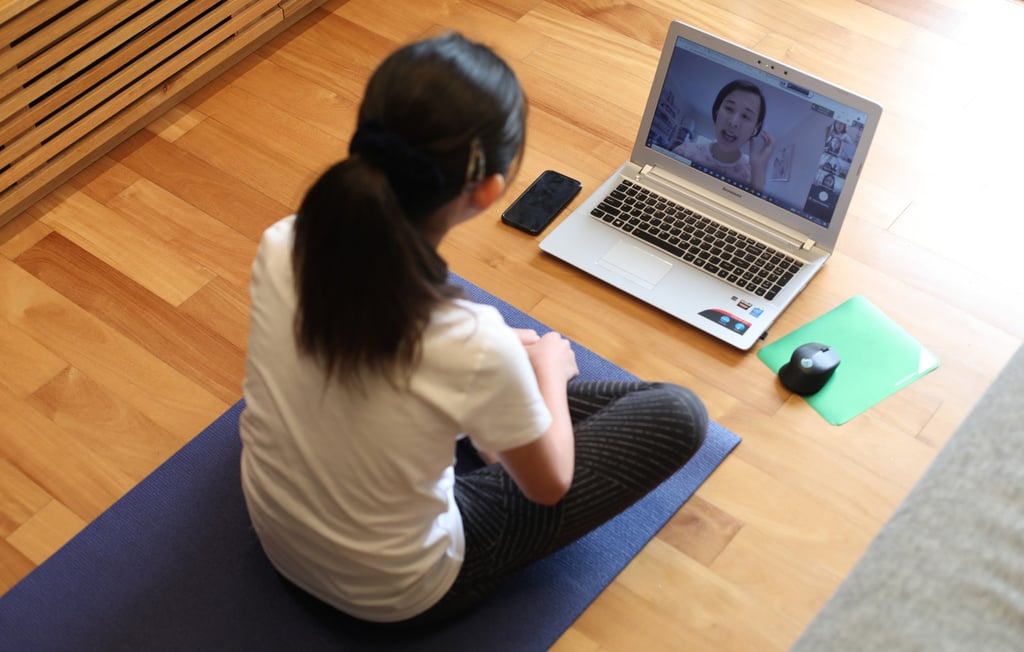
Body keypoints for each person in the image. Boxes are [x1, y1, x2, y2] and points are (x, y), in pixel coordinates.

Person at [239, 32, 709, 627]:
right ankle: (506, 419)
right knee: (676, 414)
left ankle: (502, 416)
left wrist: (503, 372)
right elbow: (549, 485)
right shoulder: (469, 342)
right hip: (391, 595)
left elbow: (410, 360)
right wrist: (544, 370)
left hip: (277, 527)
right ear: (489, 191)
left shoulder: (284, 241)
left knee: (498, 381)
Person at [673, 79, 774, 192]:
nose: (733, 122)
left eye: (745, 116)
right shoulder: (685, 152)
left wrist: (757, 172)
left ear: (755, 129)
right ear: (717, 111)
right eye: (729, 108)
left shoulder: (753, 175)